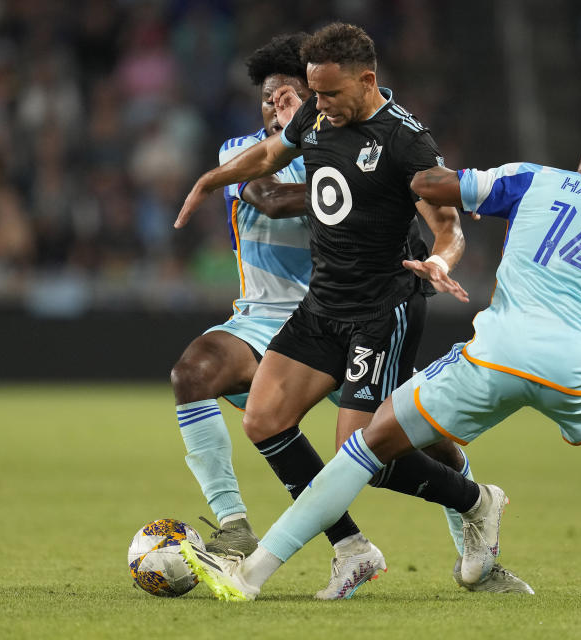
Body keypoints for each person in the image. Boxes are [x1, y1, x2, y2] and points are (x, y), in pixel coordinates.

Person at [180, 122, 581, 606]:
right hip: (578, 371)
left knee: (362, 450)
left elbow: (437, 187)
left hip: (494, 355)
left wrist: (377, 164)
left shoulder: (534, 179)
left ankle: (252, 574)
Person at [174, 22, 529, 598]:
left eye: (330, 94)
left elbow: (446, 224)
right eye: (313, 94)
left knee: (360, 454)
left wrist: (442, 260)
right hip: (321, 305)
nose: (320, 107)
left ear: (367, 81)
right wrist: (211, 180)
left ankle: (476, 502)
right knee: (263, 419)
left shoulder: (406, 142)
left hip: (379, 312)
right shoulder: (316, 115)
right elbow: (267, 156)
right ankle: (350, 549)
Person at [170, 33, 374, 598]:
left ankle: (473, 525)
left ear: (314, 98)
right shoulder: (240, 147)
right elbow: (266, 196)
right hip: (260, 319)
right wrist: (346, 188)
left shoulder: (348, 149)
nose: (274, 107)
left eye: (287, 95)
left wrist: (330, 161)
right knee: (193, 373)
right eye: (268, 98)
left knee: (415, 445)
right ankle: (234, 528)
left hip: (340, 315)